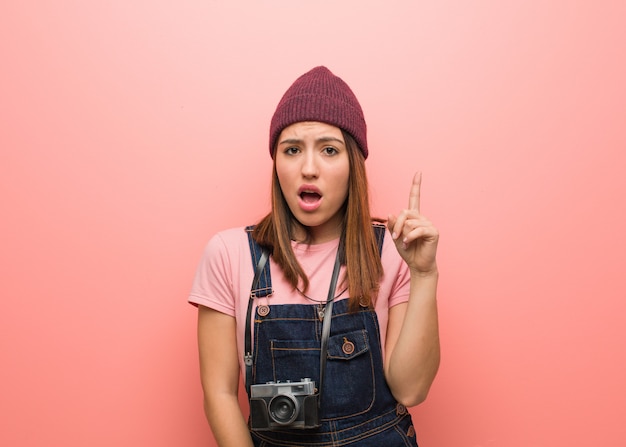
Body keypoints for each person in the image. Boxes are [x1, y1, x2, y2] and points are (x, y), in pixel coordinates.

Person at [189, 66, 440, 446]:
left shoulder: (394, 249)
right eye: (292, 150)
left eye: (329, 150)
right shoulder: (229, 254)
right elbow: (220, 395)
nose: (309, 168)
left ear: (353, 163)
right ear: (276, 163)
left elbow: (411, 390)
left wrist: (424, 276)